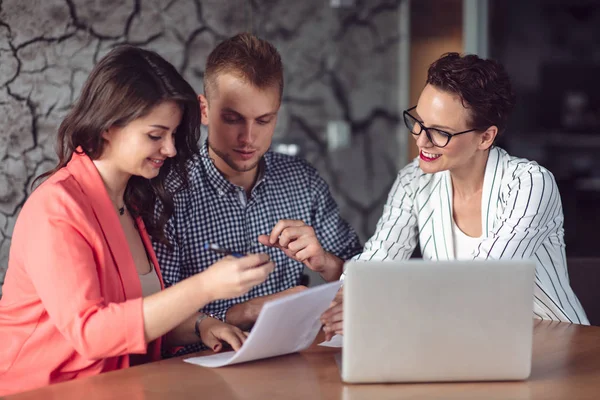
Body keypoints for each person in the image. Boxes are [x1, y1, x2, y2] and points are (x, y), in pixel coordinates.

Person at [0, 46, 274, 396]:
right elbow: (92, 333)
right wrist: (204, 287)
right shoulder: (56, 208)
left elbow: (133, 325)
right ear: (108, 128)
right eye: (155, 135)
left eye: (173, 135)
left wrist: (203, 325)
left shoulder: (130, 203)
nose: (171, 149)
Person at [321, 52, 589, 339]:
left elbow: (480, 280)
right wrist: (346, 296)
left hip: (557, 343)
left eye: (440, 132)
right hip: (467, 339)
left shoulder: (530, 184)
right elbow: (380, 255)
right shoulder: (414, 180)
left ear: (485, 137)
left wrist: (376, 307)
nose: (421, 140)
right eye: (418, 121)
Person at [153, 33, 362, 355]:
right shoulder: (168, 192)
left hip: (293, 361)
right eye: (233, 119)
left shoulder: (302, 182)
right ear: (204, 110)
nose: (248, 138)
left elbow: (366, 276)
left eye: (264, 120)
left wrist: (326, 263)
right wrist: (247, 312)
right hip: (197, 371)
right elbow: (154, 321)